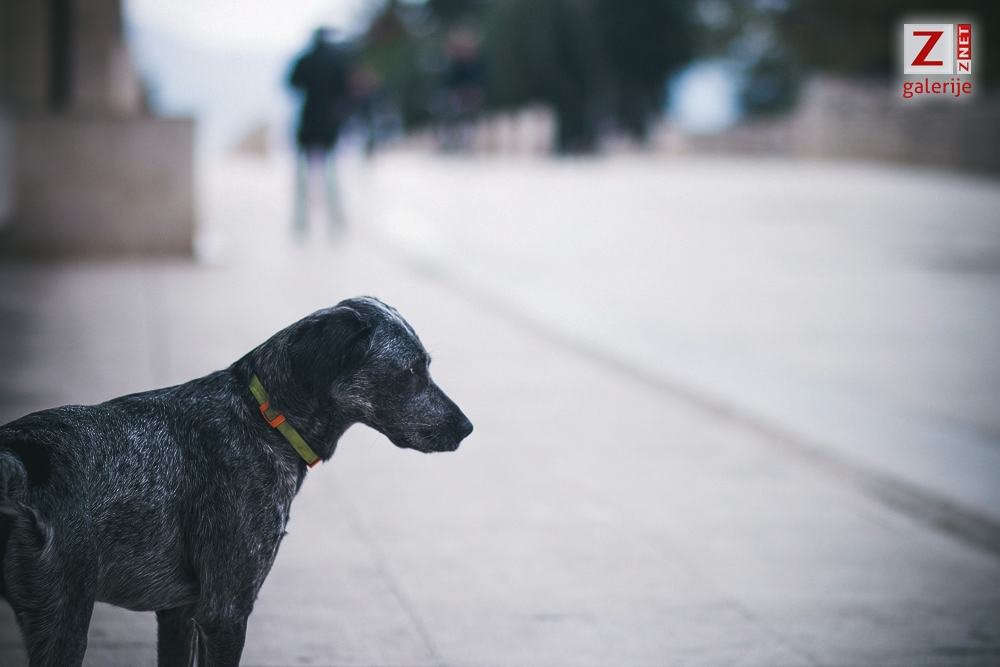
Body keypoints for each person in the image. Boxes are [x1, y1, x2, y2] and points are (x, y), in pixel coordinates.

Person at [289, 28, 352, 237]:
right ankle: (334, 221)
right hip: (329, 122)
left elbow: (292, 84)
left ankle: (301, 220)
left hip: (308, 121)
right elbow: (345, 90)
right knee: (331, 172)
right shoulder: (336, 62)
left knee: (303, 173)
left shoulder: (305, 61)